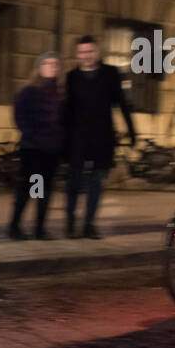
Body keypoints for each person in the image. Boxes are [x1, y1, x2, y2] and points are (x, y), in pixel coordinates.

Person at [62, 35, 136, 239]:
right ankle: (70, 222)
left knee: (97, 182)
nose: (86, 56)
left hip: (102, 136)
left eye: (89, 51)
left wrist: (131, 131)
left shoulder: (110, 73)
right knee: (74, 182)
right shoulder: (72, 77)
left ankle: (89, 223)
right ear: (78, 54)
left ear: (97, 52)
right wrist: (62, 136)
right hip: (77, 137)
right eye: (82, 52)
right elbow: (67, 109)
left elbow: (121, 103)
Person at [9, 52, 64, 240]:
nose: (52, 67)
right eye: (48, 63)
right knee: (29, 188)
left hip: (52, 150)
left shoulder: (60, 93)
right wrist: (33, 134)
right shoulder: (29, 91)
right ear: (39, 67)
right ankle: (15, 226)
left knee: (45, 190)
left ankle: (40, 228)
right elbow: (19, 117)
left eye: (55, 64)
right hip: (33, 149)